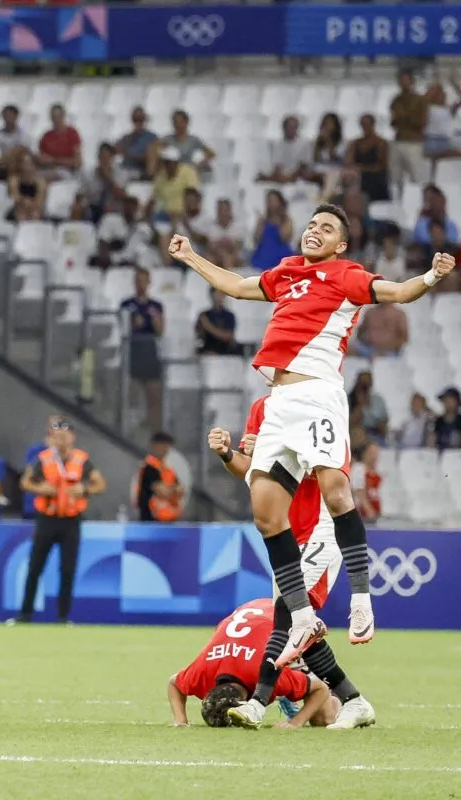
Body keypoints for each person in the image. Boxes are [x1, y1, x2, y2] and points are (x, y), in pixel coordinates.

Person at [169, 204, 456, 667]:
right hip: (279, 401)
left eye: (326, 228)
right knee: (266, 513)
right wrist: (190, 257)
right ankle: (302, 617)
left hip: (318, 395)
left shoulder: (346, 275)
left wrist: (431, 276)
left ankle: (361, 600)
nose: (314, 231)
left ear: (341, 244)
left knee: (336, 489)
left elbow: (399, 292)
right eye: (311, 225)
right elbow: (237, 286)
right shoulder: (286, 272)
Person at [207, 396, 376, 730]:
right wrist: (228, 454)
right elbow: (250, 472)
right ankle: (354, 701)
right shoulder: (261, 407)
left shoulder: (320, 400)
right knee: (300, 626)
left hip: (322, 528)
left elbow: (331, 472)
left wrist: (276, 451)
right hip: (286, 535)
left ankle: (257, 703)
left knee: (286, 614)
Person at [167, 598, 334, 729]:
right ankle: (290, 688)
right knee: (279, 677)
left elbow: (321, 689)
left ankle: (344, 701)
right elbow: (174, 683)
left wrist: (295, 723)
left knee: (324, 719)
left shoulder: (260, 674)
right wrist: (181, 721)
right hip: (255, 617)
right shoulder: (202, 674)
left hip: (288, 622)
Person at [14, 418, 104, 624]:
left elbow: (100, 484)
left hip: (71, 520)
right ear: (51, 438)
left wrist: (84, 489)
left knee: (67, 569)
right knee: (35, 566)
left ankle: (63, 616)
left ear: (72, 437)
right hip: (47, 518)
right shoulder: (43, 459)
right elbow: (25, 482)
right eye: (57, 436)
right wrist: (40, 488)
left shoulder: (81, 460)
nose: (61, 440)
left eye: (65, 436)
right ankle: (25, 614)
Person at [120, 268, 165, 434]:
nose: (141, 284)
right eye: (138, 281)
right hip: (133, 347)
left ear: (149, 283)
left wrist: (154, 320)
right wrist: (133, 324)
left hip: (149, 348)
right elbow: (122, 328)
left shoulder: (156, 306)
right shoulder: (127, 304)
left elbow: (160, 330)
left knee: (153, 390)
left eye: (144, 281)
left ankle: (154, 427)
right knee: (131, 388)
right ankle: (128, 424)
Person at [132, 432, 183, 522]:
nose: (165, 449)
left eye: (167, 446)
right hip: (150, 519)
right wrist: (173, 489)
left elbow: (181, 489)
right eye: (162, 445)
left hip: (168, 518)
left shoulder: (167, 469)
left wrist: (170, 489)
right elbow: (163, 492)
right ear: (154, 446)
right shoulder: (148, 467)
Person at [389, 69, 428, 187]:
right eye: (401, 80)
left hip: (414, 141)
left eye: (405, 80)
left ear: (411, 81)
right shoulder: (396, 100)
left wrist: (405, 116)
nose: (403, 83)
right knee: (395, 176)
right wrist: (397, 118)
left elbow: (422, 123)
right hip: (398, 140)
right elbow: (393, 122)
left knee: (416, 175)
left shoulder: (420, 100)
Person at [344, 114, 391, 203]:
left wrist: (363, 168)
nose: (365, 127)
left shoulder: (381, 143)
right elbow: (349, 161)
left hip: (375, 176)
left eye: (367, 124)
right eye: (363, 124)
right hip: (358, 176)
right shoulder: (355, 143)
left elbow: (381, 166)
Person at [257, 116, 312, 184]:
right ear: (284, 128)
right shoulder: (278, 144)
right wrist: (282, 175)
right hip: (282, 174)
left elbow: (304, 165)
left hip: (298, 175)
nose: (292, 130)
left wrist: (291, 176)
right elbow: (277, 165)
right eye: (290, 127)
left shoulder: (305, 143)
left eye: (294, 127)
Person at [251, 190, 295, 270]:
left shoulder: (286, 220)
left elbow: (285, 238)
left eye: (274, 200)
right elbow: (256, 239)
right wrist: (260, 224)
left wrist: (279, 222)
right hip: (264, 254)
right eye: (269, 200)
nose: (271, 203)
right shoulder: (263, 220)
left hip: (280, 254)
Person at [37, 104, 82, 180]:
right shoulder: (46, 136)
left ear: (63, 116)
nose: (56, 120)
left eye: (59, 117)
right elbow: (42, 158)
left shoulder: (72, 133)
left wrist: (54, 160)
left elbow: (77, 162)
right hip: (48, 169)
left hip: (67, 171)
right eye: (54, 117)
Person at [196, 289, 241, 355]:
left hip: (224, 353)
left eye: (222, 294)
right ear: (212, 295)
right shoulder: (205, 314)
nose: (220, 296)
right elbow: (198, 335)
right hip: (207, 352)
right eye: (217, 294)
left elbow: (228, 336)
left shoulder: (229, 315)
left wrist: (208, 326)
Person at [351, 442, 382, 524]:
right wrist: (369, 511)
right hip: (362, 513)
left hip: (375, 510)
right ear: (365, 454)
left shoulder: (376, 470)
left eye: (376, 453)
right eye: (371, 453)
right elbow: (359, 491)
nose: (374, 456)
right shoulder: (358, 468)